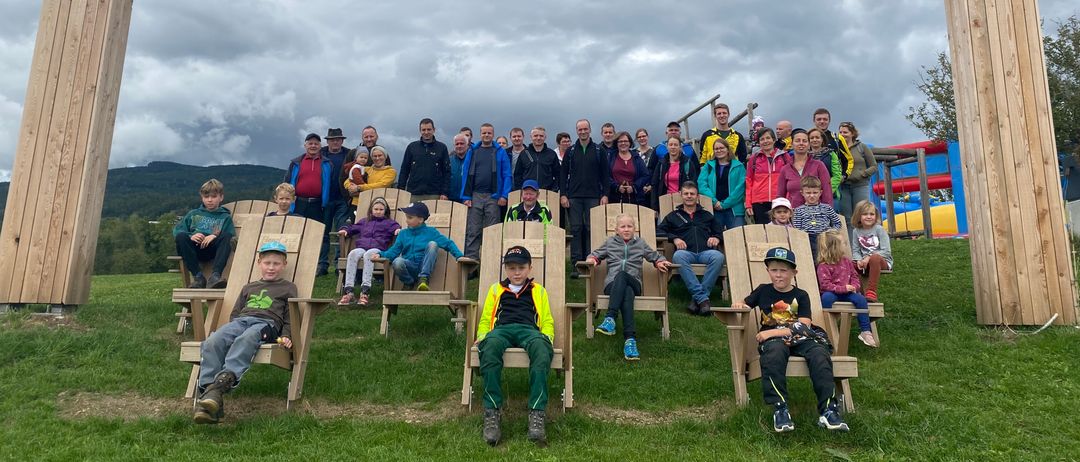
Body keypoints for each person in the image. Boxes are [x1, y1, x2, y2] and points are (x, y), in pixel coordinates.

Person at [732, 246, 849, 433]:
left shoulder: (801, 295)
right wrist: (739, 304)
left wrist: (771, 333)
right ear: (768, 271)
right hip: (775, 344)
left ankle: (828, 410)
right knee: (774, 353)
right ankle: (780, 408)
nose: (778, 275)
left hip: (800, 337)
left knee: (820, 354)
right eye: (774, 270)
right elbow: (745, 303)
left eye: (784, 270)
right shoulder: (763, 291)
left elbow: (803, 325)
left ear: (794, 272)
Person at [192, 241, 297, 424]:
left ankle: (217, 389)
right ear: (259, 262)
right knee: (213, 340)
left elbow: (290, 316)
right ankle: (211, 398)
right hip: (241, 322)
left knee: (247, 338)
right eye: (267, 263)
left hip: (267, 325)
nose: (271, 267)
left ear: (284, 265)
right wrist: (230, 332)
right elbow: (235, 313)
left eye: (276, 263)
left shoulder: (288, 287)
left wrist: (287, 335)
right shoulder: (249, 287)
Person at [476, 246, 554, 446]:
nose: (516, 272)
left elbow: (546, 319)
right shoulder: (496, 290)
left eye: (521, 267)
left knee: (541, 350)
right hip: (501, 329)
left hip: (529, 330)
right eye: (511, 268)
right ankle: (492, 411)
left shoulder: (538, 291)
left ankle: (537, 413)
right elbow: (486, 318)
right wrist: (483, 336)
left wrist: (547, 338)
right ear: (505, 269)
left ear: (530, 268)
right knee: (491, 347)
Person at [588, 214, 672, 360]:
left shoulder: (640, 243)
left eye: (629, 226)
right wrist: (592, 260)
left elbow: (655, 255)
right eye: (623, 226)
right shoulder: (610, 243)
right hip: (612, 286)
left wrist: (659, 262)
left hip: (634, 283)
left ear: (635, 229)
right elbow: (595, 254)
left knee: (622, 275)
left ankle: (610, 317)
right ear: (616, 230)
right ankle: (630, 340)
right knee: (625, 290)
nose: (626, 229)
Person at [657, 182, 726, 315]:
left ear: (697, 196)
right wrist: (674, 238)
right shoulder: (673, 216)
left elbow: (721, 231)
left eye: (692, 194)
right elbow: (659, 231)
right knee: (678, 256)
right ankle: (703, 299)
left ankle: (698, 300)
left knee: (718, 257)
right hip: (686, 253)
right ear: (681, 195)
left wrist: (717, 238)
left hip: (706, 252)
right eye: (686, 194)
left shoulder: (707, 215)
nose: (689, 196)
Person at [371, 202, 464, 291]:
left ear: (420, 220)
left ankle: (423, 279)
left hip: (425, 265)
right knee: (397, 261)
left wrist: (459, 256)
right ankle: (408, 282)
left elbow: (448, 243)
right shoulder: (403, 233)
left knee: (432, 244)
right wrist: (380, 254)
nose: (407, 220)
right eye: (406, 217)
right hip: (409, 266)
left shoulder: (431, 232)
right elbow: (394, 251)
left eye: (410, 217)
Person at [560, 119, 610, 277]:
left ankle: (590, 263)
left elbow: (605, 175)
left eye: (585, 129)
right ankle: (575, 265)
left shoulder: (598, 150)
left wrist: (605, 195)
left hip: (594, 196)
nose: (583, 132)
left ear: (590, 130)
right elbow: (563, 174)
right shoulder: (571, 150)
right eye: (580, 129)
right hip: (574, 196)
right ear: (576, 131)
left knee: (590, 229)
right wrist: (563, 194)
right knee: (575, 229)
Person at [816, 230, 877, 348]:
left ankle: (865, 331)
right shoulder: (823, 266)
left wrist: (855, 286)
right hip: (832, 293)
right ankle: (826, 326)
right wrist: (843, 288)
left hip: (848, 293)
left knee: (860, 299)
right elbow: (825, 285)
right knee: (826, 297)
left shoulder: (846, 262)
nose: (846, 245)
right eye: (843, 243)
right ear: (834, 247)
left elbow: (854, 276)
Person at [285, 133, 334, 275]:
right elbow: (287, 181)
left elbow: (330, 184)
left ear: (320, 146)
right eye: (310, 143)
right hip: (299, 202)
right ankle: (297, 264)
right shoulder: (296, 163)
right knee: (297, 233)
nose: (313, 146)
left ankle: (321, 266)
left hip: (319, 204)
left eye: (316, 143)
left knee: (321, 234)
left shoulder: (327, 163)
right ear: (305, 145)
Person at [461, 123, 512, 259]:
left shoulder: (500, 151)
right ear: (480, 134)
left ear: (493, 134)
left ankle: (491, 260)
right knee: (473, 230)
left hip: (494, 196)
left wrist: (504, 195)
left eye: (489, 133)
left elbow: (507, 175)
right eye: (484, 133)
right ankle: (471, 262)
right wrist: (466, 196)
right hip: (475, 195)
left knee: (492, 230)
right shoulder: (473, 151)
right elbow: (465, 173)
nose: (486, 135)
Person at [337, 197, 401, 306]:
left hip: (377, 248)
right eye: (376, 209)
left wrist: (397, 230)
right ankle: (349, 290)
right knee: (352, 254)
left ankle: (365, 291)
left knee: (368, 255)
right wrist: (345, 229)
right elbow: (352, 228)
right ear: (371, 210)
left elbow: (397, 227)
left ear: (385, 211)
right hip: (362, 247)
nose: (378, 211)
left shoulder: (389, 223)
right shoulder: (364, 221)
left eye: (381, 209)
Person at [174, 179, 235, 289]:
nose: (210, 200)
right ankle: (198, 277)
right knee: (181, 236)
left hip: (213, 250)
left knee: (227, 236)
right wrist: (191, 236)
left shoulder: (224, 217)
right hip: (194, 250)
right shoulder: (193, 214)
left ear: (221, 197)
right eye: (206, 197)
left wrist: (214, 236)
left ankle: (215, 276)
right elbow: (177, 230)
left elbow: (231, 236)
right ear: (202, 198)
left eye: (213, 196)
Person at [697, 137, 746, 231]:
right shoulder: (709, 166)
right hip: (714, 208)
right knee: (715, 238)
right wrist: (715, 202)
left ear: (728, 149)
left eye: (722, 148)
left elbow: (740, 188)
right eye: (716, 149)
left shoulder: (739, 166)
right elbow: (702, 184)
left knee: (737, 238)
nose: (719, 150)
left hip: (734, 209)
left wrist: (725, 204)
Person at [777, 129, 834, 209]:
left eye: (804, 141)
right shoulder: (785, 169)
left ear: (809, 145)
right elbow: (780, 197)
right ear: (792, 144)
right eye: (797, 140)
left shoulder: (819, 165)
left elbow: (827, 193)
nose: (801, 143)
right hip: (794, 215)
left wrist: (827, 214)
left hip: (817, 215)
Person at [744, 128, 790, 224]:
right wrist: (748, 203)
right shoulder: (754, 158)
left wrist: (788, 198)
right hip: (759, 202)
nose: (765, 141)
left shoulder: (784, 156)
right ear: (759, 142)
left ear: (773, 140)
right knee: (763, 234)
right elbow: (749, 181)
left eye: (768, 138)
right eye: (762, 139)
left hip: (779, 200)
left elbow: (789, 180)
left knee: (781, 233)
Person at [849, 200, 892, 303]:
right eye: (865, 214)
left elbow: (886, 251)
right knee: (849, 264)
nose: (869, 217)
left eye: (871, 214)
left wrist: (869, 257)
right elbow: (855, 250)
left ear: (876, 216)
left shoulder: (879, 229)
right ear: (858, 216)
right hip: (864, 263)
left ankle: (871, 291)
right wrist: (859, 260)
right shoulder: (856, 231)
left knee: (875, 258)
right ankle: (855, 290)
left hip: (882, 261)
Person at [399, 118, 451, 201]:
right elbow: (404, 170)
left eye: (429, 129)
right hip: (414, 194)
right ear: (420, 131)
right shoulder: (412, 147)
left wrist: (445, 192)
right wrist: (400, 190)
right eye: (423, 130)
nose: (426, 132)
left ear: (434, 130)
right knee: (412, 214)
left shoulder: (442, 148)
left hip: (434, 194)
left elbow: (447, 172)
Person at [792, 176, 842, 262]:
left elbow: (837, 223)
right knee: (812, 258)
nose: (812, 195)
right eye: (808, 193)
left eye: (815, 192)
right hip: (808, 238)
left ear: (820, 192)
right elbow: (797, 229)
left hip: (825, 238)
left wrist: (830, 232)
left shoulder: (827, 208)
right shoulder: (798, 210)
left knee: (827, 258)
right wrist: (804, 236)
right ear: (802, 193)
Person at [837, 122, 878, 223]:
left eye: (845, 132)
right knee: (847, 217)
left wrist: (863, 174)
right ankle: (851, 239)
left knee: (862, 214)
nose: (842, 134)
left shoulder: (862, 147)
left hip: (860, 185)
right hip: (844, 186)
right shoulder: (837, 149)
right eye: (840, 132)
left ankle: (865, 238)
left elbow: (874, 166)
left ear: (852, 133)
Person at [650, 137, 700, 209]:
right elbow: (655, 185)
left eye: (676, 145)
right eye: (670, 145)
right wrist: (654, 207)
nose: (673, 147)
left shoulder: (687, 163)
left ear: (680, 147)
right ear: (667, 147)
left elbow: (694, 183)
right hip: (665, 200)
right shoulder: (661, 163)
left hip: (684, 201)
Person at [321, 128, 353, 235]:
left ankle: (341, 252)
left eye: (338, 139)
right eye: (332, 140)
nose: (335, 142)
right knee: (323, 230)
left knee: (343, 231)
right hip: (325, 199)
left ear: (342, 141)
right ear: (327, 141)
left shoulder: (349, 154)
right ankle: (322, 252)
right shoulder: (320, 154)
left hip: (343, 199)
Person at [608, 131, 651, 205]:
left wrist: (634, 187)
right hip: (614, 199)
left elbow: (645, 175)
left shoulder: (637, 158)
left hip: (635, 199)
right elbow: (605, 176)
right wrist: (616, 187)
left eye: (625, 141)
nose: (623, 143)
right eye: (620, 141)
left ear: (630, 143)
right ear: (616, 143)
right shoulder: (611, 157)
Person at [513, 126, 560, 191]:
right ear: (531, 137)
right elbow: (517, 175)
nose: (538, 138)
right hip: (527, 193)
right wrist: (520, 190)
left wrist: (554, 189)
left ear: (545, 137)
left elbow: (558, 174)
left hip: (547, 193)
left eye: (541, 136)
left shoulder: (551, 154)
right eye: (535, 136)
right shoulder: (524, 153)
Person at [812, 108, 853, 180]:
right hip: (811, 181)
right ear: (814, 121)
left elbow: (848, 160)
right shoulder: (807, 138)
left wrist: (844, 176)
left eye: (825, 119)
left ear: (829, 121)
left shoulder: (837, 138)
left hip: (833, 181)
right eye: (819, 119)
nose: (822, 121)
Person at [808, 128, 842, 200]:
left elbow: (837, 175)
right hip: (809, 196)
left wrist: (826, 191)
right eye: (812, 138)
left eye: (817, 137)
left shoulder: (831, 154)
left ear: (822, 139)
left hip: (830, 195)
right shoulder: (805, 156)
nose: (814, 140)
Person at [448, 133, 470, 203]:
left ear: (467, 145)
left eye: (462, 143)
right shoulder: (448, 161)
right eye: (457, 144)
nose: (459, 146)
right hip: (450, 199)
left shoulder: (472, 161)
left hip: (467, 200)